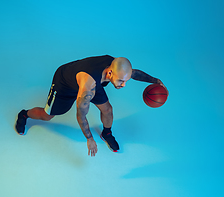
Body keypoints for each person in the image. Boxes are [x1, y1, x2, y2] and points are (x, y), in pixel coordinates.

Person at [15, 55, 166, 157]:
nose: (124, 85)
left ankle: (106, 133)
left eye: (125, 81)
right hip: (65, 84)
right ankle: (24, 115)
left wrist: (155, 81)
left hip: (92, 81)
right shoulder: (88, 86)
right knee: (47, 116)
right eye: (121, 81)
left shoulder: (115, 66)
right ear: (110, 73)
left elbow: (133, 73)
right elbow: (81, 115)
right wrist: (89, 138)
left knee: (108, 110)